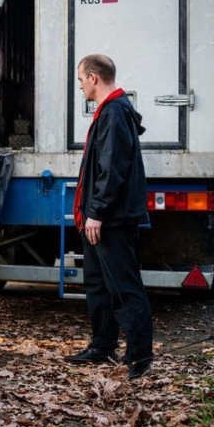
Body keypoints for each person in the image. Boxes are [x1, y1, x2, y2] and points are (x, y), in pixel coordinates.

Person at [64, 54, 153, 380]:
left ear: (93, 77)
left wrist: (97, 213)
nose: (80, 86)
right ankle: (102, 345)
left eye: (80, 79)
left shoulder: (114, 112)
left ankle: (140, 357)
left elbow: (111, 168)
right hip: (100, 217)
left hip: (111, 220)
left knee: (123, 287)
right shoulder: (109, 111)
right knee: (98, 284)